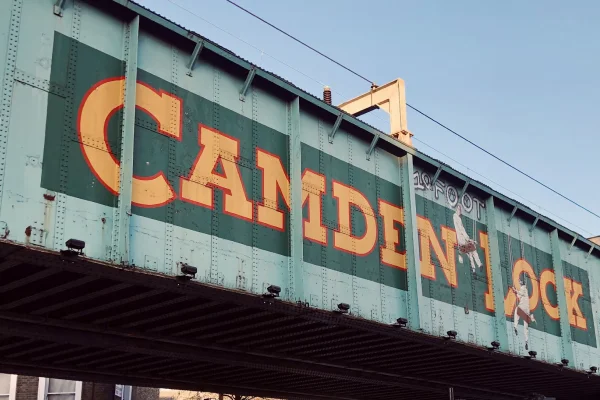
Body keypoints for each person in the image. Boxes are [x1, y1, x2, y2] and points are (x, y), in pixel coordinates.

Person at [453, 205, 482, 273]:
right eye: (459, 209)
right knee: (473, 251)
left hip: (460, 241)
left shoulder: (455, 217)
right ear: (457, 210)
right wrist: (469, 239)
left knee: (470, 254)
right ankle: (479, 264)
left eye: (460, 209)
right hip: (463, 240)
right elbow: (462, 229)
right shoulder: (457, 218)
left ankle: (474, 269)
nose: (460, 211)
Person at [512, 278, 536, 350]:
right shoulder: (523, 290)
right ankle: (526, 341)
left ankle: (515, 326)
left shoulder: (524, 288)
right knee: (526, 326)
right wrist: (515, 291)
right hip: (526, 310)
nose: (519, 282)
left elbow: (521, 293)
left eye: (520, 281)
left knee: (517, 312)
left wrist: (516, 291)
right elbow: (519, 295)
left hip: (523, 307)